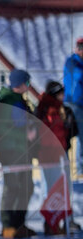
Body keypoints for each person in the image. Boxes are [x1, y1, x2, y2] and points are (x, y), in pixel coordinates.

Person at [0, 69, 37, 239]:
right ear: (18, 84)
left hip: (23, 150)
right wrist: (24, 135)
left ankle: (19, 223)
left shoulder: (21, 101)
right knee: (12, 187)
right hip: (10, 150)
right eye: (26, 83)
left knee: (27, 187)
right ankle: (7, 225)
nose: (28, 86)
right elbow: (2, 129)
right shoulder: (7, 101)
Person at [35, 80, 77, 213]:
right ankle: (50, 218)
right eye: (60, 93)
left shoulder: (62, 109)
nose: (63, 95)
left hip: (60, 151)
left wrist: (69, 126)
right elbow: (48, 133)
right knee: (50, 186)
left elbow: (71, 131)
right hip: (49, 153)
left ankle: (65, 217)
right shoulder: (47, 109)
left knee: (64, 185)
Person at [61, 37, 83, 178]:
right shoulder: (72, 62)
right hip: (72, 104)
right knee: (76, 134)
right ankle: (79, 168)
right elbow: (78, 75)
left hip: (79, 104)